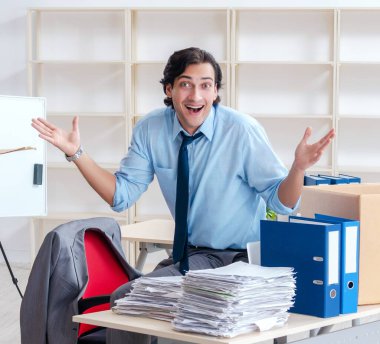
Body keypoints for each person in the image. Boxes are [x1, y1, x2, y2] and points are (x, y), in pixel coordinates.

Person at [32, 47, 334, 344]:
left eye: (206, 85)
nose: (196, 95)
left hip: (239, 259)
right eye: (186, 84)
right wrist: (76, 154)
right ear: (170, 89)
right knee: (132, 301)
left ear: (216, 92)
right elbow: (120, 195)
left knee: (128, 298)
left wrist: (297, 168)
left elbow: (281, 202)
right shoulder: (151, 129)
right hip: (191, 256)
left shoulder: (241, 131)